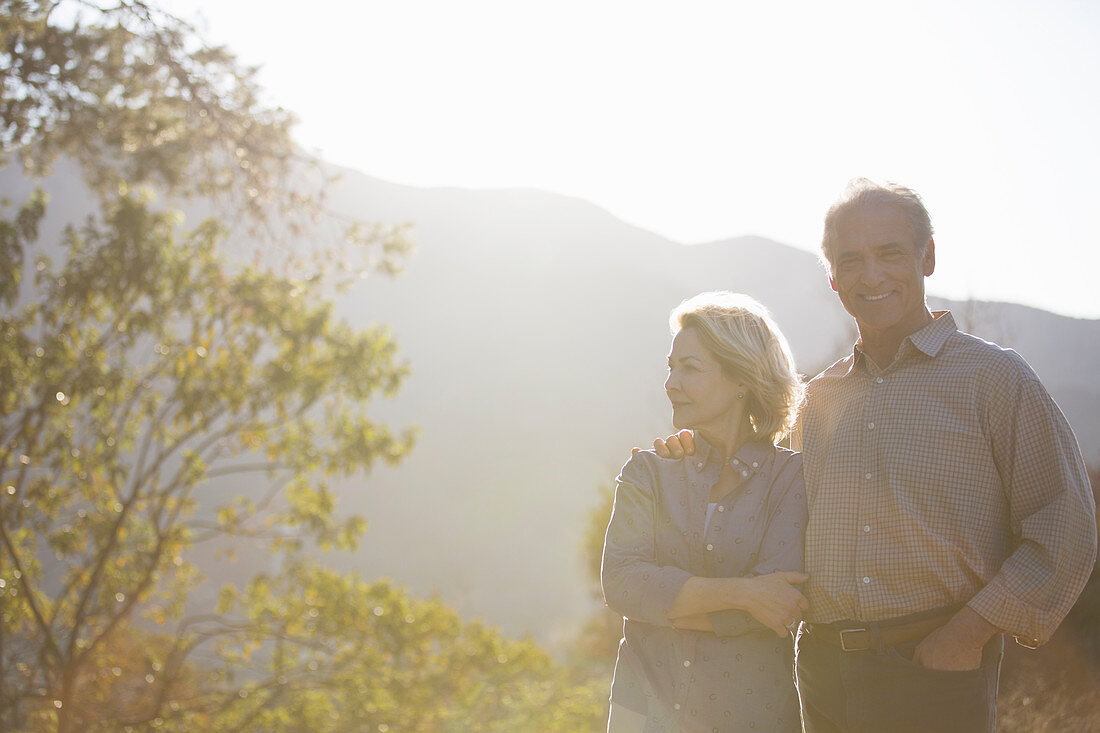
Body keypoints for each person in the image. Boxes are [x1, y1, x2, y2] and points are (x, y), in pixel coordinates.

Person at [655, 179, 1098, 732]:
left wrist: (965, 636)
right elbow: (769, 517)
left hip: (936, 672)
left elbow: (1066, 526)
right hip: (822, 675)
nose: (872, 275)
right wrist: (695, 462)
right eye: (851, 260)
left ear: (926, 257)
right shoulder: (817, 399)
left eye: (890, 253)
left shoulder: (994, 379)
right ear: (834, 278)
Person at [601, 291, 809, 733]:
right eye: (671, 367)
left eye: (689, 368)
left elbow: (778, 606)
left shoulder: (791, 479)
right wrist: (744, 593)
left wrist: (659, 603)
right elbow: (621, 585)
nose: (670, 383)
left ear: (742, 379)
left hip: (750, 715)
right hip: (641, 714)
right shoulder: (648, 472)